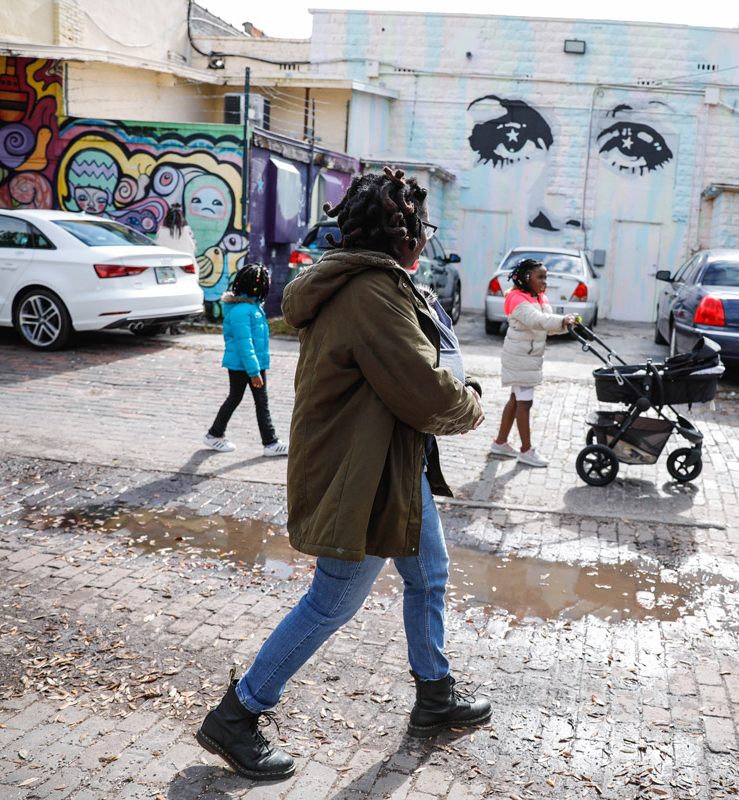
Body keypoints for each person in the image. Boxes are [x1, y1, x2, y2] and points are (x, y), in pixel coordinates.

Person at [195, 167, 489, 782]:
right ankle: (238, 714)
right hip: (362, 477)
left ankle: (434, 694)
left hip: (397, 466)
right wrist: (470, 403)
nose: (426, 240)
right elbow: (423, 388)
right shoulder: (370, 295)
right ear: (400, 231)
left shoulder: (379, 283)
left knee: (429, 575)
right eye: (423, 227)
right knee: (333, 600)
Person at [489, 258, 577, 467]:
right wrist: (562, 320)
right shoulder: (517, 299)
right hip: (520, 359)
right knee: (524, 403)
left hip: (527, 358)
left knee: (515, 399)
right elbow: (537, 320)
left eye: (546, 277)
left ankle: (500, 443)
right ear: (526, 277)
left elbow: (547, 324)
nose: (544, 281)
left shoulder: (538, 297)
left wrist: (566, 323)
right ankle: (526, 450)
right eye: (540, 277)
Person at [202, 264, 289, 458]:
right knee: (252, 400)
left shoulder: (252, 308)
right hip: (245, 366)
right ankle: (270, 442)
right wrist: (254, 372)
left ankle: (215, 433)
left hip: (251, 364)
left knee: (242, 399)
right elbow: (244, 344)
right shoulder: (243, 311)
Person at [154, 204, 198, 334]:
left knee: (165, 300)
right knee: (181, 300)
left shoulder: (162, 231)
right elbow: (193, 248)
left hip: (165, 271)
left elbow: (157, 248)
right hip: (186, 270)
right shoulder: (187, 231)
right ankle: (175, 327)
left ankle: (162, 326)